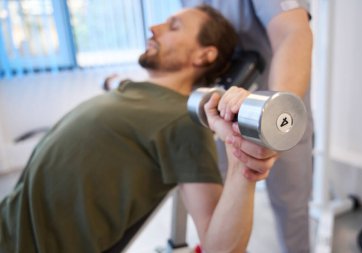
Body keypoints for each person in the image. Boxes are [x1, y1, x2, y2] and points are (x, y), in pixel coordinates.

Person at [0, 5, 278, 253]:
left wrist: (241, 163)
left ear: (204, 55)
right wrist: (111, 82)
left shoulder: (185, 121)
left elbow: (221, 248)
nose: (153, 28)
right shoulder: (129, 89)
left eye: (173, 26)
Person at [182, 1, 314, 253]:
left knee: (291, 205)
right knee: (224, 208)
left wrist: (273, 118)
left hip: (276, 109)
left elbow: (292, 33)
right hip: (216, 115)